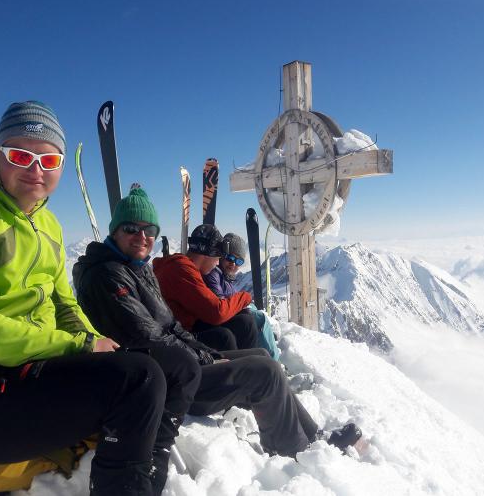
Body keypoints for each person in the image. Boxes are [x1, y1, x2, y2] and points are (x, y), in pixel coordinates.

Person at [0, 101, 182, 495]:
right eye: (20, 155)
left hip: (23, 373)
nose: (36, 169)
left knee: (162, 367)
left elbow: (63, 305)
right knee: (138, 381)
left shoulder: (47, 222)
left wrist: (102, 345)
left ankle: (140, 478)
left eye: (49, 158)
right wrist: (80, 344)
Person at [73, 187, 364, 459]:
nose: (142, 236)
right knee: (265, 371)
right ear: (115, 230)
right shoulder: (108, 276)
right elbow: (147, 338)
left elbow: (171, 327)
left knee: (260, 356)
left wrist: (207, 355)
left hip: (176, 369)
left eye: (149, 229)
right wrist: (206, 360)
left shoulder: (136, 270)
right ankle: (298, 451)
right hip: (163, 384)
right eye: (131, 228)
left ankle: (315, 438)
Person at [152, 224, 260, 351]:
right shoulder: (182, 270)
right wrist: (245, 297)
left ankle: (250, 365)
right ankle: (244, 368)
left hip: (181, 328)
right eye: (218, 256)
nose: (217, 263)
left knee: (244, 322)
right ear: (208, 254)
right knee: (224, 337)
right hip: (175, 336)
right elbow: (217, 312)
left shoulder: (186, 267)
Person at [203, 233, 280, 360]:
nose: (233, 264)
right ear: (222, 255)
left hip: (226, 316)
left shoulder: (224, 276)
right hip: (217, 319)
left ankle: (269, 358)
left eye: (238, 261)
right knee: (259, 319)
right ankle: (272, 361)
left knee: (254, 312)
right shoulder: (213, 273)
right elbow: (220, 302)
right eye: (230, 258)